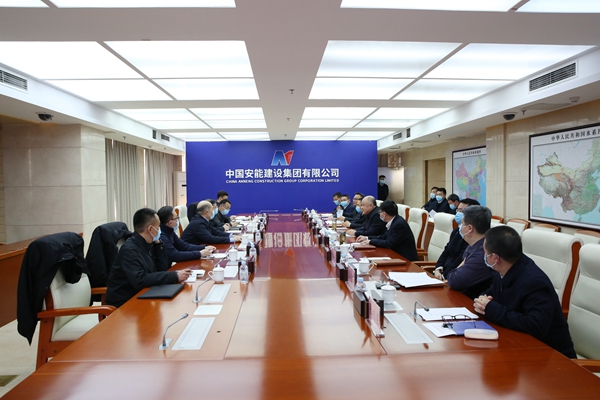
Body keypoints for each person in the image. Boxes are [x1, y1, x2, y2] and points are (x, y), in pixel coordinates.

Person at [474, 226, 576, 358]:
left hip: (552, 357)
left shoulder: (534, 282)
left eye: (485, 253)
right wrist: (482, 301)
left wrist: (492, 308)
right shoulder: (505, 270)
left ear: (495, 258)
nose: (484, 256)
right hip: (519, 346)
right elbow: (490, 294)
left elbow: (536, 325)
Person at [105, 208, 191, 308]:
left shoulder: (148, 243)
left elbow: (161, 269)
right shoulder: (130, 250)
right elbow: (140, 280)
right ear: (150, 229)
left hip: (144, 293)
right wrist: (174, 276)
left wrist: (158, 245)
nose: (160, 229)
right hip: (125, 302)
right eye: (158, 226)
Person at [446, 205, 495, 299]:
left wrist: (455, 271)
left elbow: (455, 281)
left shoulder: (483, 253)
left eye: (462, 224)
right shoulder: (474, 245)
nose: (460, 227)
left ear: (469, 228)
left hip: (471, 301)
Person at [433, 198, 480, 280]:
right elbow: (446, 251)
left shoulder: (473, 236)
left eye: (462, 211)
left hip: (453, 276)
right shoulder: (456, 231)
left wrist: (444, 276)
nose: (458, 213)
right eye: (458, 210)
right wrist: (438, 269)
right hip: (442, 273)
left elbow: (460, 259)